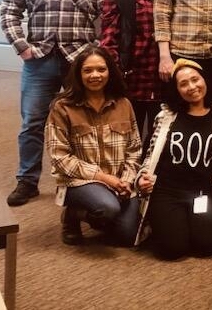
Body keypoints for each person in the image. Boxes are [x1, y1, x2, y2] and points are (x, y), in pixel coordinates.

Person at [0, 0, 108, 206]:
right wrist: (21, 46)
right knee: (32, 122)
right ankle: (27, 181)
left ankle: (89, 177)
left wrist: (98, 54)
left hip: (80, 64)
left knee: (85, 121)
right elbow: (8, 11)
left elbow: (110, 20)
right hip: (40, 61)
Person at [135, 59, 212, 260]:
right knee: (172, 250)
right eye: (183, 84)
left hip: (203, 192)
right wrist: (140, 179)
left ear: (204, 79)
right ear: (176, 89)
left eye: (195, 79)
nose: (191, 87)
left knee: (210, 246)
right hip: (167, 191)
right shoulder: (165, 117)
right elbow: (150, 155)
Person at [46, 46, 142, 246]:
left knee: (128, 236)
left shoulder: (124, 104)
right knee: (108, 208)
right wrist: (104, 178)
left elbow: (134, 149)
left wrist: (126, 180)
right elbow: (60, 158)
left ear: (110, 72)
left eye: (101, 69)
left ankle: (102, 212)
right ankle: (73, 213)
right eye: (88, 70)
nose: (95, 75)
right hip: (79, 181)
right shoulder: (62, 107)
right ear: (78, 74)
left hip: (118, 181)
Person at [100, 0, 163, 143]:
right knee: (127, 132)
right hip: (132, 72)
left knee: (158, 132)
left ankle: (152, 174)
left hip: (162, 71)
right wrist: (114, 69)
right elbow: (109, 36)